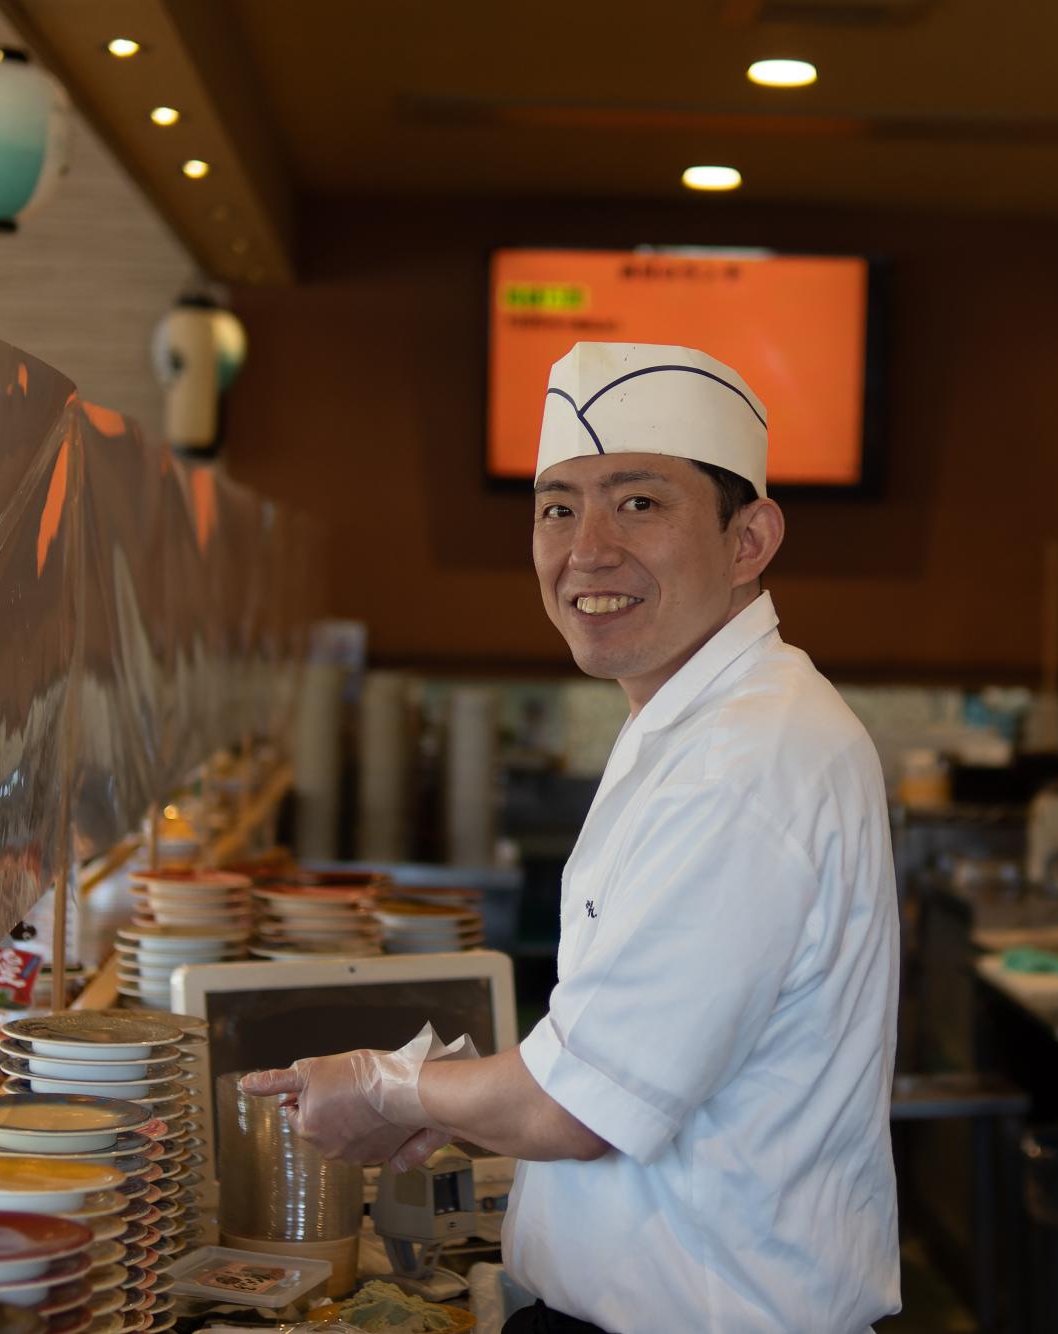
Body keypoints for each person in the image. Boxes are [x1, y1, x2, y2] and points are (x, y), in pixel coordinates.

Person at [243, 342, 901, 1333]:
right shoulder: (695, 720)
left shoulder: (745, 757)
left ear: (749, 539)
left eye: (638, 502)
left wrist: (389, 1087)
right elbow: (608, 1061)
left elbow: (578, 1109)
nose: (586, 549)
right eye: (557, 507)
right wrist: (452, 1101)